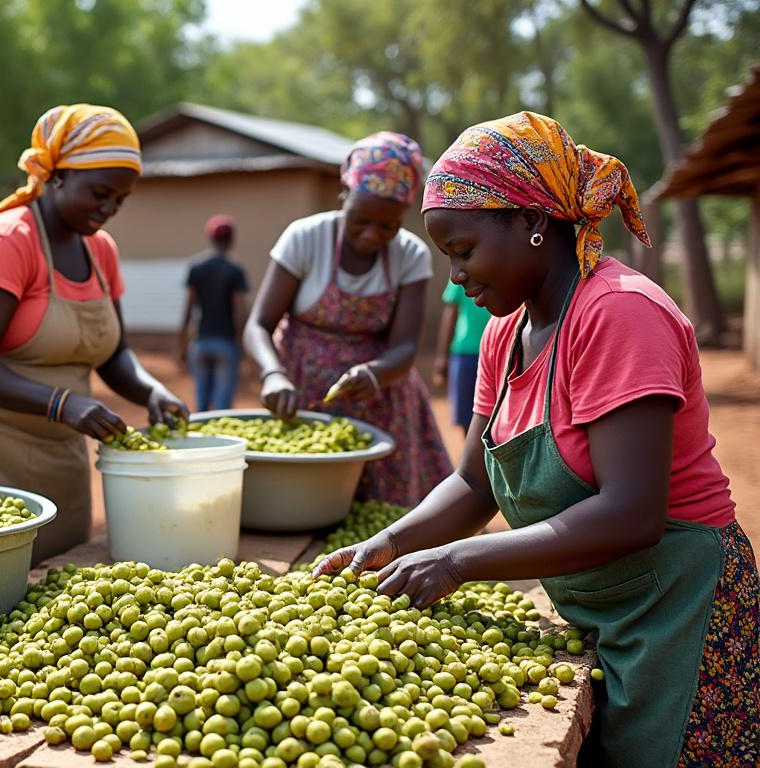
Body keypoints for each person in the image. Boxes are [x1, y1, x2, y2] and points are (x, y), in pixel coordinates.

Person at [316, 112, 758, 768]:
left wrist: (456, 562)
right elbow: (474, 483)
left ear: (532, 222)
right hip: (600, 609)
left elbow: (632, 513)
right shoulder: (505, 332)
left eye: (463, 250)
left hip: (679, 614)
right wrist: (390, 544)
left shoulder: (619, 313)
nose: (456, 275)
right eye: (447, 257)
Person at [0, 104, 187, 561]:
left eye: (120, 199)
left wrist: (151, 391)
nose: (109, 209)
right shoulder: (11, 240)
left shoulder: (101, 251)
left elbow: (113, 353)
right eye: (100, 193)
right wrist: (62, 404)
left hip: (58, 437)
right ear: (58, 176)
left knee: (64, 564)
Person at [245, 132, 451, 506]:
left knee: (382, 504)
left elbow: (406, 345)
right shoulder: (305, 238)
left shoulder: (410, 255)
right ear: (344, 193)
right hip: (302, 391)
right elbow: (259, 324)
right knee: (307, 500)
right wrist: (273, 374)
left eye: (388, 226)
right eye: (360, 220)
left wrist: (375, 373)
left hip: (381, 397)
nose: (372, 235)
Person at [179, 214, 248, 411]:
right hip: (226, 343)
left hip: (201, 342)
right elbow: (240, 312)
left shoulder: (196, 267)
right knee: (222, 404)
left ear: (210, 238)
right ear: (231, 240)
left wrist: (182, 343)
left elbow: (188, 309)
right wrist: (241, 343)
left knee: (201, 401)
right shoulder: (235, 271)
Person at [432, 279, 490, 438]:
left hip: (494, 352)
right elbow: (450, 314)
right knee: (467, 416)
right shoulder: (461, 277)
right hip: (465, 353)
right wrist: (442, 357)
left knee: (493, 413)